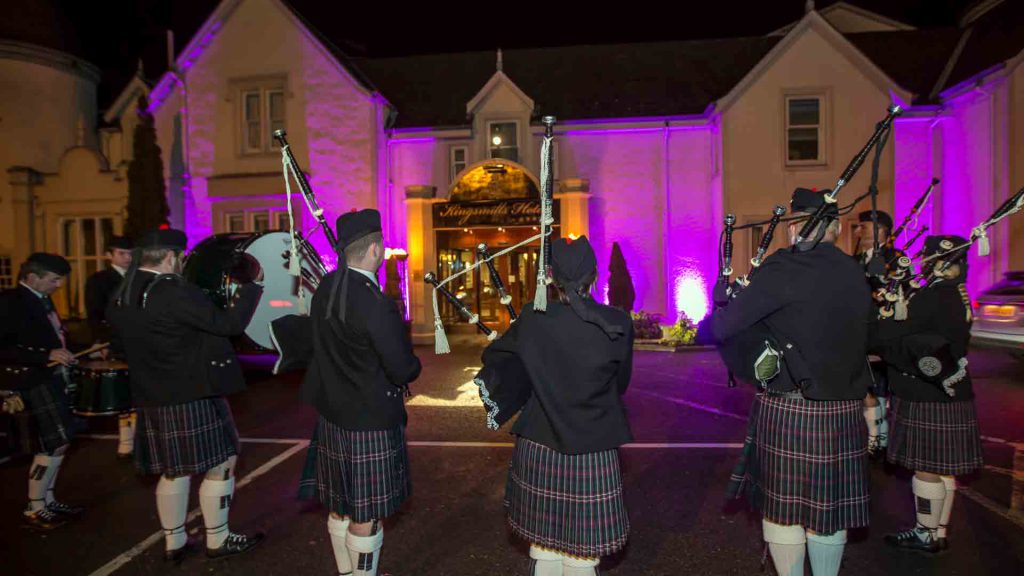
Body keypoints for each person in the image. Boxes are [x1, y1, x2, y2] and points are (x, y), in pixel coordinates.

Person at [714, 188, 874, 576]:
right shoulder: (855, 272)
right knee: (829, 513)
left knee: (784, 512)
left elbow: (725, 327)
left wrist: (726, 298)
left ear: (794, 229)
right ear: (835, 229)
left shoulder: (783, 269)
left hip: (792, 406)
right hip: (844, 406)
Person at [107, 228, 265, 563]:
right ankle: (218, 539)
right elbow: (228, 324)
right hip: (192, 390)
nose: (182, 263)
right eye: (181, 257)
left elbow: (122, 345)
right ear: (170, 258)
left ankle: (174, 541)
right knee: (222, 463)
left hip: (152, 394)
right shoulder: (172, 290)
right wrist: (254, 286)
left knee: (174, 469)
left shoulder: (124, 292)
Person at [479, 236, 634, 576]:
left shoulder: (533, 320)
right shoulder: (619, 323)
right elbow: (620, 385)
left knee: (544, 546)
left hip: (539, 440)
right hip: (594, 445)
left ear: (549, 276)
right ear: (594, 277)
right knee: (582, 554)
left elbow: (495, 357)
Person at [299, 209, 421, 576]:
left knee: (341, 504)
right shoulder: (375, 302)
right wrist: (413, 366)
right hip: (369, 419)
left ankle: (347, 571)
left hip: (333, 413)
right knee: (365, 516)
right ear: (374, 250)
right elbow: (401, 368)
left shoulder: (325, 288)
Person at [874, 235, 983, 553]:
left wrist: (880, 321)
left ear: (938, 263)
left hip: (925, 390)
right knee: (943, 469)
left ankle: (925, 532)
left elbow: (894, 334)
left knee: (927, 469)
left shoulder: (933, 297)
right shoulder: (956, 294)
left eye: (929, 260)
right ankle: (939, 529)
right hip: (952, 388)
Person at [0, 253, 83, 530]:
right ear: (32, 277)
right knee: (54, 441)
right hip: (33, 379)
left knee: (60, 441)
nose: (58, 285)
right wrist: (45, 354)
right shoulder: (11, 302)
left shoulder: (40, 299)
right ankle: (34, 507)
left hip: (50, 376)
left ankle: (47, 499)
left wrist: (65, 348)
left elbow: (53, 333)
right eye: (54, 279)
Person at [853, 209, 902, 459]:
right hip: (862, 331)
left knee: (886, 387)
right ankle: (874, 437)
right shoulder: (856, 259)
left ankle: (884, 438)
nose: (858, 231)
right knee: (868, 386)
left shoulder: (898, 259)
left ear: (881, 230)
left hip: (887, 331)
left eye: (864, 227)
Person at [84, 235, 136, 459]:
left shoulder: (138, 277)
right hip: (115, 342)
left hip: (137, 340)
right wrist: (101, 340)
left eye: (131, 254)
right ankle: (126, 440)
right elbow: (95, 314)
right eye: (122, 253)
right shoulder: (99, 280)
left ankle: (138, 437)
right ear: (109, 255)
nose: (127, 258)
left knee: (138, 389)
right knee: (123, 390)